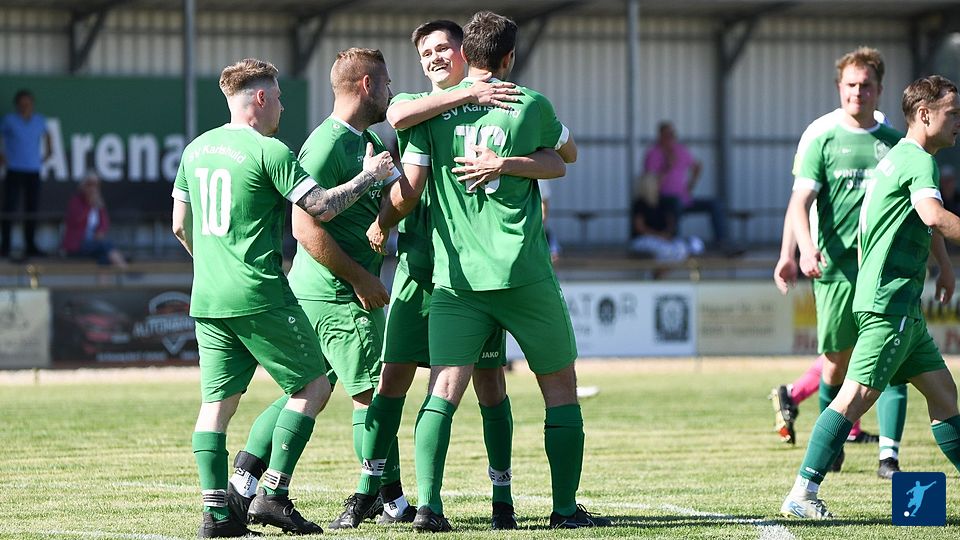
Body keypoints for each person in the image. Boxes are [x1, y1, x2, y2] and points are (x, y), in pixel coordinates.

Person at [369, 11, 610, 531]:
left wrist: (382, 222)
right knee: (559, 391)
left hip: (457, 281)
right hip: (525, 275)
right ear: (510, 57)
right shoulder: (530, 104)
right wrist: (512, 161)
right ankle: (564, 511)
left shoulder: (427, 114)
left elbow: (406, 161)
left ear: (464, 54)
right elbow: (565, 156)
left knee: (442, 391)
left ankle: (429, 509)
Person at [170, 57, 395, 538]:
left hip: (207, 296)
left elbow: (179, 226)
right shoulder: (269, 150)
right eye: (278, 97)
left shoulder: (195, 149)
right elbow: (321, 207)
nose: (282, 107)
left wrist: (211, 265)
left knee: (216, 407)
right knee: (312, 388)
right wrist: (368, 177)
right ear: (260, 97)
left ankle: (216, 516)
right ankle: (272, 493)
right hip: (259, 292)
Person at [781, 74, 960, 520]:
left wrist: (942, 265)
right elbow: (933, 215)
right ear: (925, 115)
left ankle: (805, 490)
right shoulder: (918, 161)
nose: (959, 122)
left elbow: (893, 224)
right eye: (953, 114)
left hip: (899, 305)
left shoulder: (896, 156)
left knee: (944, 397)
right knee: (855, 395)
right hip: (890, 304)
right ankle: (802, 493)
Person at [771, 47, 908, 479]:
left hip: (885, 271)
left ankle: (889, 457)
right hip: (834, 270)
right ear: (839, 87)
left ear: (879, 89)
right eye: (851, 84)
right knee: (835, 361)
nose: (858, 92)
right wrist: (799, 251)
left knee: (891, 358)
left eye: (866, 85)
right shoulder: (822, 138)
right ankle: (832, 443)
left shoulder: (896, 142)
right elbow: (799, 203)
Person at [643, 120, 727, 248]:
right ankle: (676, 242)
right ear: (660, 136)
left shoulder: (680, 150)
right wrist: (667, 167)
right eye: (667, 135)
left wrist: (691, 185)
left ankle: (721, 242)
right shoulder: (653, 153)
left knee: (715, 204)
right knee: (675, 204)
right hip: (662, 200)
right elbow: (649, 181)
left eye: (672, 134)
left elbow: (697, 166)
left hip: (684, 199)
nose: (670, 138)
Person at [0, 89, 51, 259]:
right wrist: (2, 155)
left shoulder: (39, 120)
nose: (25, 107)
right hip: (14, 169)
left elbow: (48, 135)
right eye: (22, 104)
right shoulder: (9, 120)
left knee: (32, 209)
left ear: (32, 104)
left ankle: (30, 245)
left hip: (33, 170)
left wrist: (48, 153)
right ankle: (5, 246)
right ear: (17, 105)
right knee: (9, 208)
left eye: (27, 104)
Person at [61, 173, 128, 269]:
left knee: (104, 256)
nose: (93, 188)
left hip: (93, 243)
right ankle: (125, 269)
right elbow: (76, 220)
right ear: (83, 187)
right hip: (77, 245)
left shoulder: (98, 202)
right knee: (106, 245)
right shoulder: (76, 201)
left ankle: (105, 279)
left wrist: (100, 231)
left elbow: (104, 222)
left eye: (96, 185)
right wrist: (89, 205)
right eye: (89, 185)